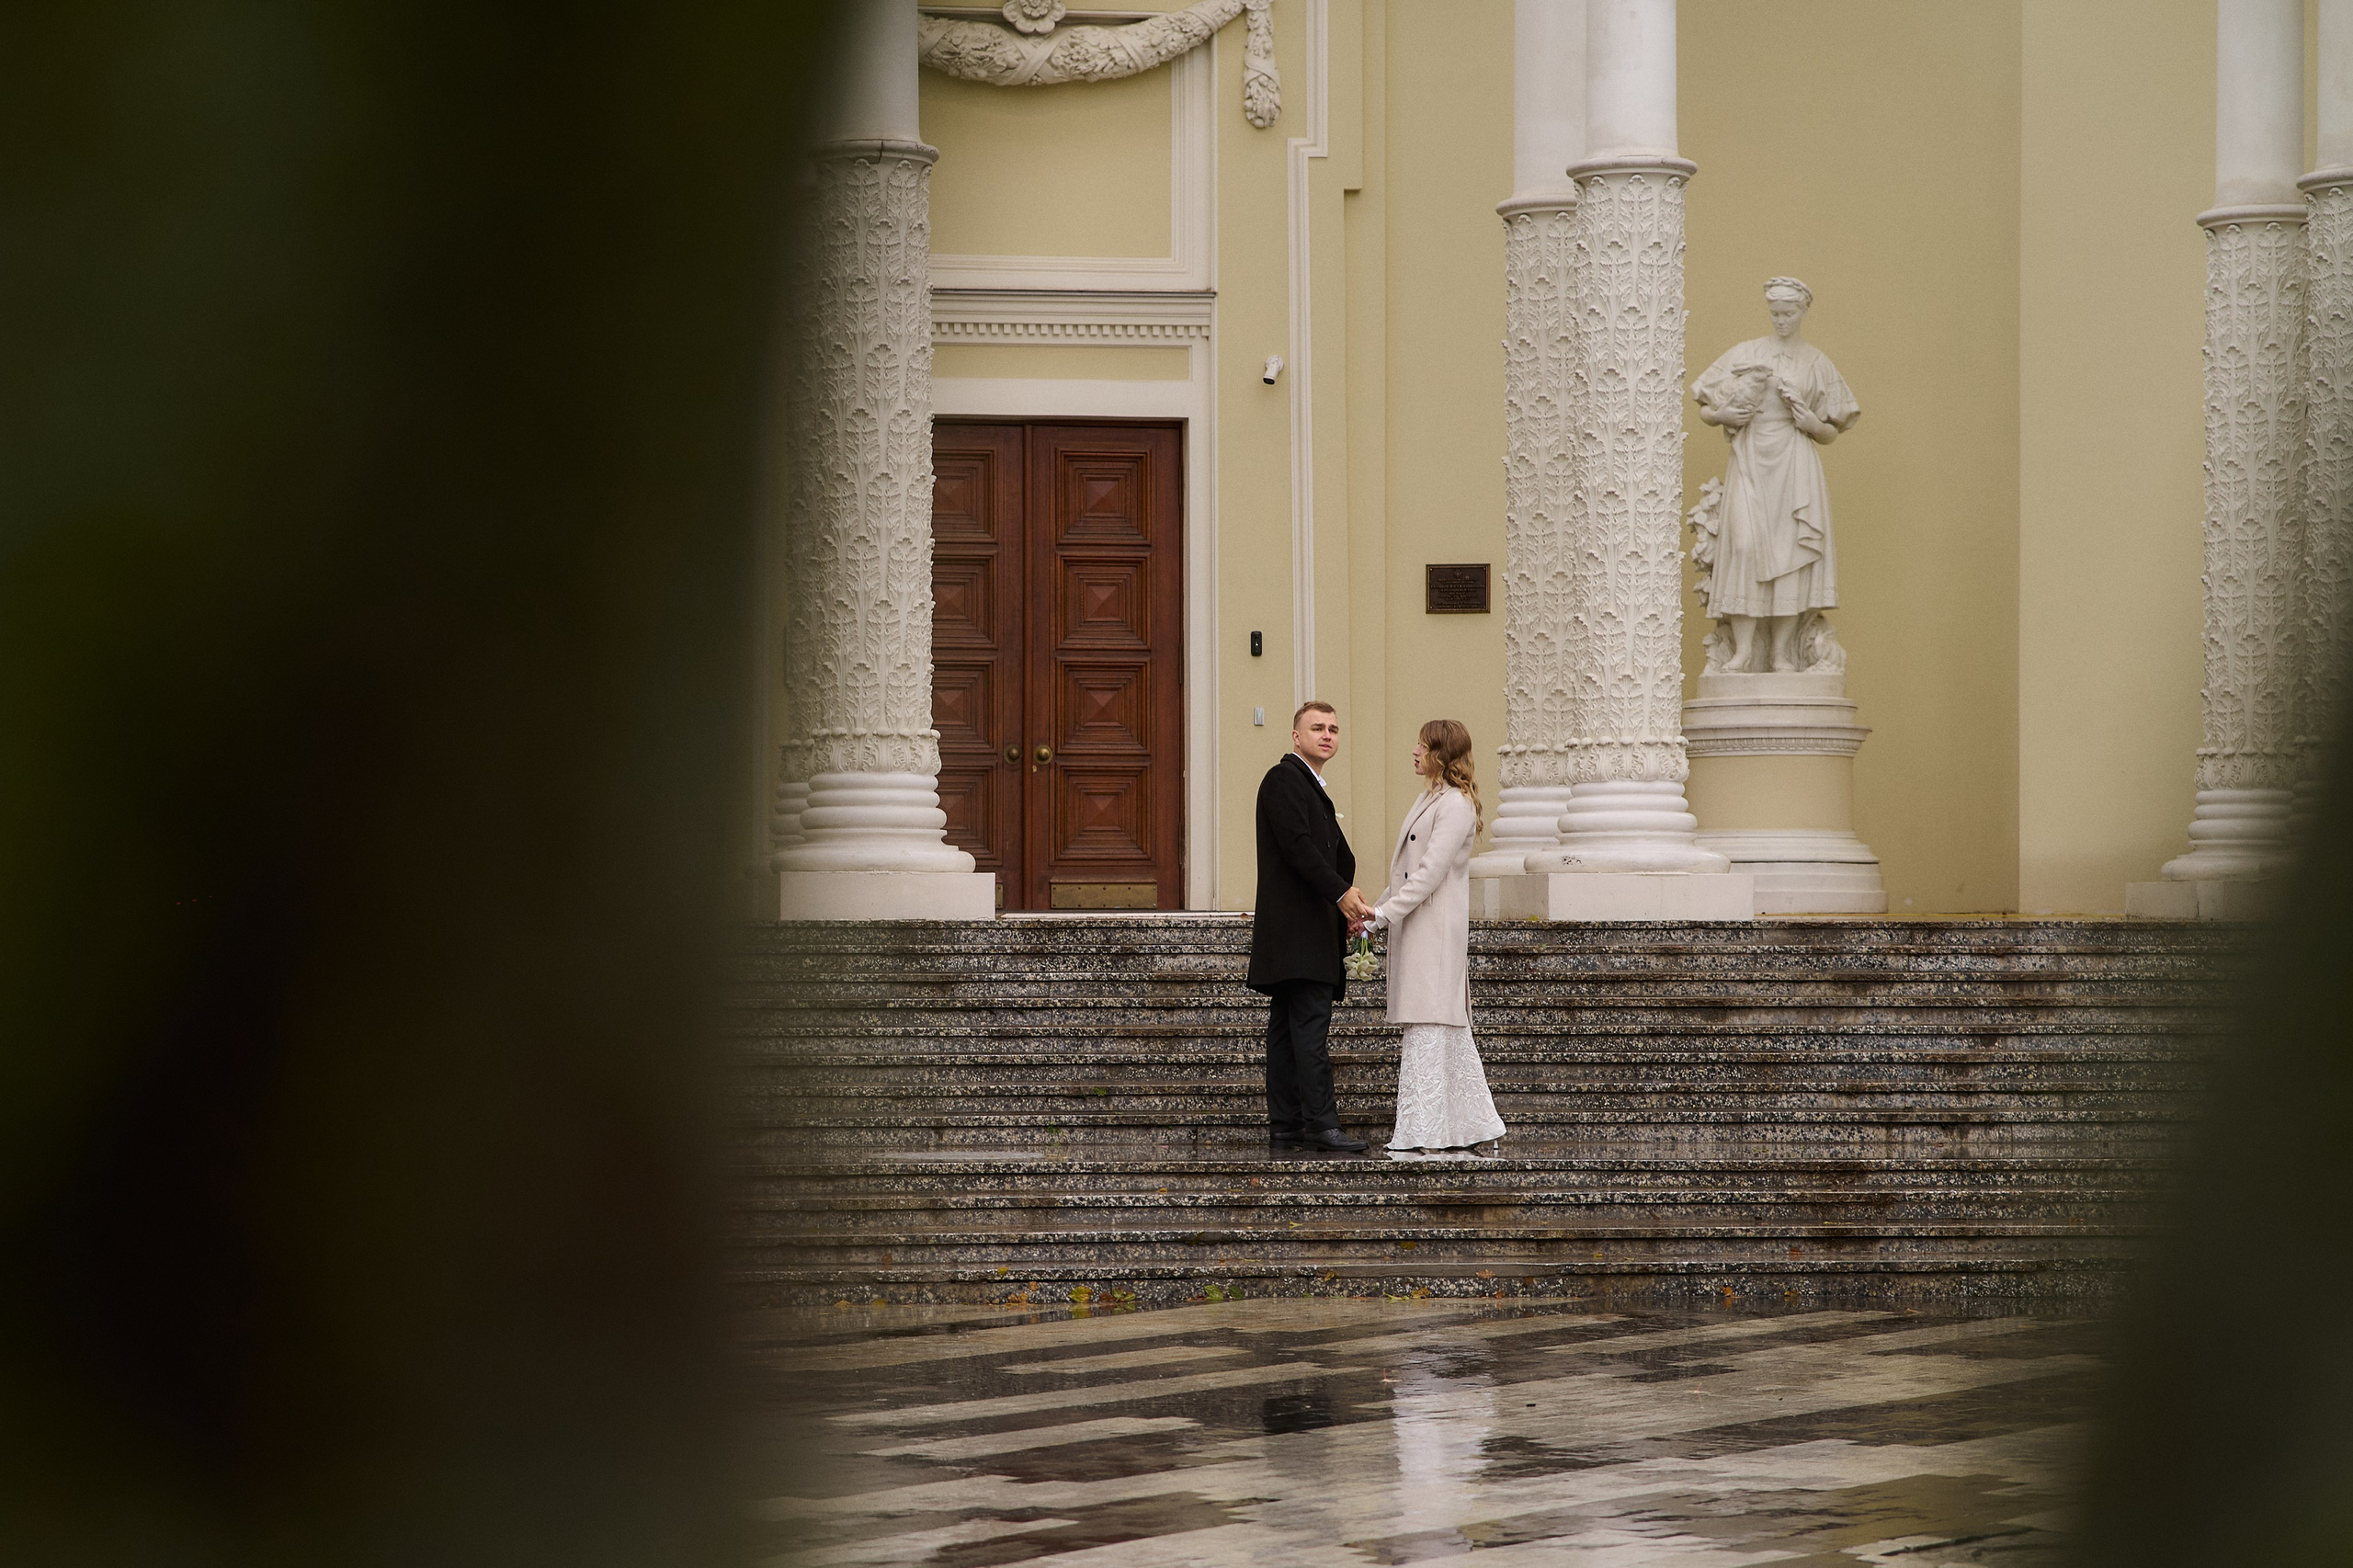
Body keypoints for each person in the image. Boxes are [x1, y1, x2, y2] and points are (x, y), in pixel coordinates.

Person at [1690, 276, 1861, 674]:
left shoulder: (1817, 363)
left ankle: (1782, 653)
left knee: (1790, 555)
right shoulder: (1745, 353)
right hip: (1750, 460)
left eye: (1788, 313)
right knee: (1745, 548)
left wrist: (1810, 423)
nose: (1781, 320)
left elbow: (1833, 429)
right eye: (1775, 313)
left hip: (1794, 463)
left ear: (1803, 312)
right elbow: (1705, 405)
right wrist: (1722, 416)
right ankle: (1744, 651)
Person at [1372, 720, 1505, 1160]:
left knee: (1433, 1021)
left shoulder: (1455, 805)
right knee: (1436, 1026)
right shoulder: (1430, 797)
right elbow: (1406, 872)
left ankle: (1424, 1129)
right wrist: (1374, 912)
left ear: (1441, 755)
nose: (1413, 751)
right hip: (1418, 927)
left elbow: (1429, 873)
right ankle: (1468, 1123)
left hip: (1434, 931)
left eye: (1422, 745)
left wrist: (1384, 915)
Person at [1247, 701, 1375, 1154]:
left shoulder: (1310, 785)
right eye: (1317, 728)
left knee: (1285, 1031)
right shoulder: (1284, 779)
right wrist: (1342, 895)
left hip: (1302, 930)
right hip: (1298, 932)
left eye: (1334, 729)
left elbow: (1329, 854)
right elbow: (1300, 848)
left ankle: (1287, 1124)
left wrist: (1345, 899)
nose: (1327, 735)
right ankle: (1321, 1123)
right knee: (1308, 1031)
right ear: (1296, 737)